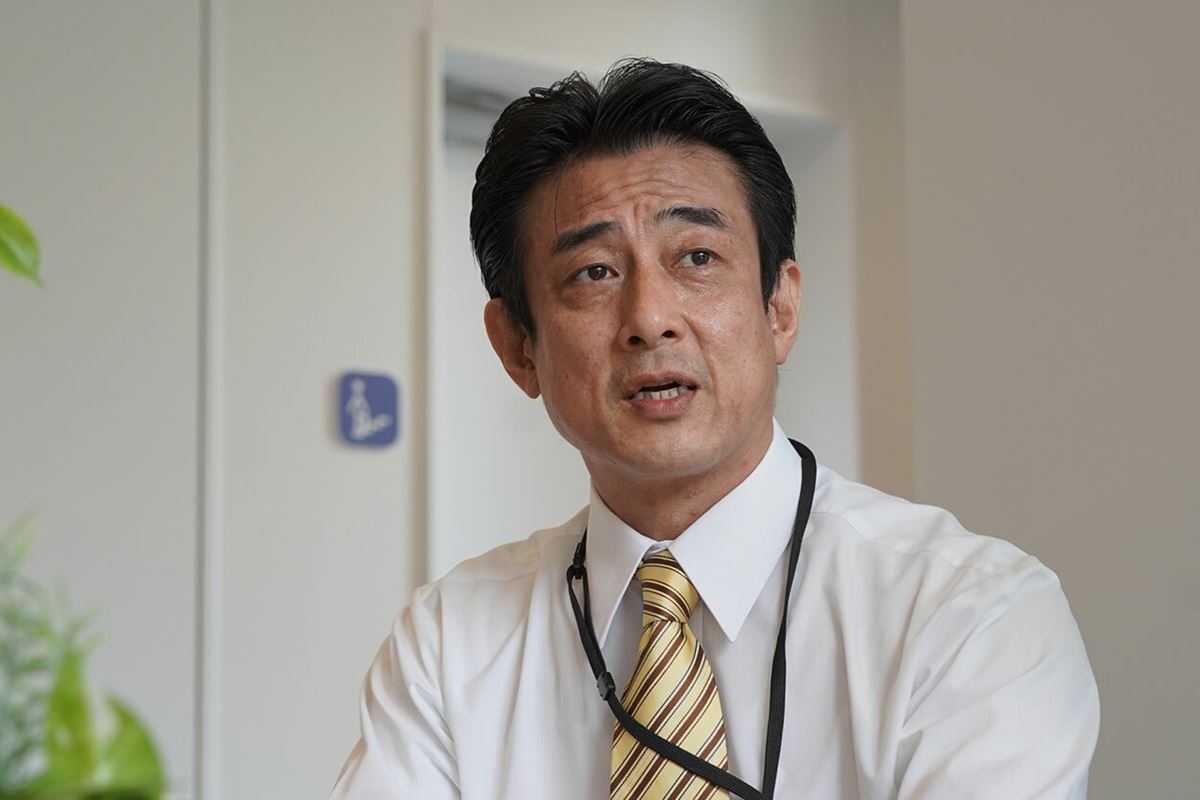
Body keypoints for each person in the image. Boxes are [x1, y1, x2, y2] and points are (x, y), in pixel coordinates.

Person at [330, 59, 1099, 799]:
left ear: (779, 309)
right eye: (594, 272)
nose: (650, 318)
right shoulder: (448, 646)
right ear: (517, 347)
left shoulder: (967, 614)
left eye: (697, 256)